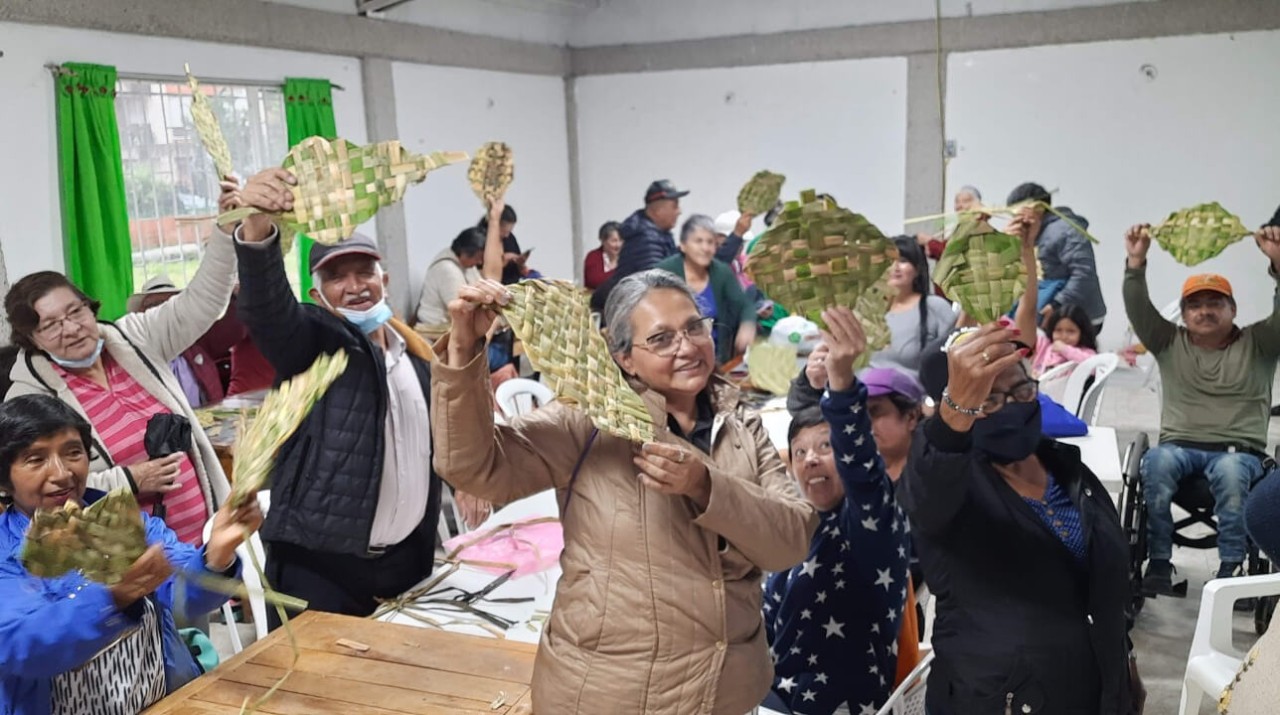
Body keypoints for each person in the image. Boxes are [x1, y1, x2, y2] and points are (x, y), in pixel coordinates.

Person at [433, 269, 817, 714]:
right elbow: (474, 467)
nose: (688, 347)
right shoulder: (587, 423)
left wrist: (704, 484)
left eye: (695, 327)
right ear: (624, 359)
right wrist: (463, 351)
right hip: (613, 694)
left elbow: (790, 541)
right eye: (661, 339)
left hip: (726, 692)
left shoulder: (739, 420)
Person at [230, 168, 447, 623]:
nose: (354, 286)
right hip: (322, 571)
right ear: (317, 293)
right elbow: (269, 312)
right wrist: (258, 231)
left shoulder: (417, 354)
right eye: (336, 277)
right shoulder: (316, 344)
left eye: (364, 271)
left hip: (405, 564)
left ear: (384, 279)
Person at [899, 324, 1142, 714]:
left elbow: (1106, 582)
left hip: (1089, 690)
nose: (1010, 406)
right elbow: (926, 489)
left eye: (1021, 391)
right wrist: (954, 415)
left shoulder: (1067, 469)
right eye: (988, 400)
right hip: (1000, 700)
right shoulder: (953, 486)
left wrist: (1122, 662)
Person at [4, 184, 244, 546]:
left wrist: (226, 232)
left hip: (207, 537)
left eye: (75, 311)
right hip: (128, 557)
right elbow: (35, 488)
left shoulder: (134, 338)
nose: (71, 329)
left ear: (90, 306)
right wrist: (130, 480)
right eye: (51, 325)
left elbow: (203, 302)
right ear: (31, 339)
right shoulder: (30, 396)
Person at [0, 393, 262, 715]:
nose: (61, 473)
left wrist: (216, 556)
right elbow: (23, 647)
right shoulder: (6, 555)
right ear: (5, 479)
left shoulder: (128, 522)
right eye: (35, 459)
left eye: (73, 453)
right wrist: (113, 598)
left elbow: (185, 598)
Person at [765, 307, 910, 715]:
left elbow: (860, 467)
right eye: (800, 453)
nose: (811, 459)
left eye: (826, 448)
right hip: (775, 697)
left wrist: (842, 382)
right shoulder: (798, 524)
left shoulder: (872, 522)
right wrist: (814, 384)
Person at [1123, 222, 1280, 595]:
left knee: (1229, 470)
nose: (1205, 311)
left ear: (1232, 309)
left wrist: (1277, 264)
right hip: (1178, 448)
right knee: (1156, 461)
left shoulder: (1260, 343)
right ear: (1184, 313)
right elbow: (1138, 307)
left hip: (1239, 455)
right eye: (1195, 305)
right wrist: (1135, 261)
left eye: (1215, 303)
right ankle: (1159, 563)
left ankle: (1230, 570)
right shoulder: (1167, 341)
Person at [590, 179, 750, 312]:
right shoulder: (646, 240)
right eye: (674, 206)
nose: (679, 211)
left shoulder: (657, 234)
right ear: (658, 210)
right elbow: (658, 285)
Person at [655, 215, 757, 365]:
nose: (705, 248)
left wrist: (747, 324)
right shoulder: (664, 272)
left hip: (714, 360)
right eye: (698, 241)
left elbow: (744, 305)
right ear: (683, 245)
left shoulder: (721, 272)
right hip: (674, 358)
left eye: (710, 242)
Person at [1006, 182, 1106, 331]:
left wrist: (1056, 305)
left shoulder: (1064, 231)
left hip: (1079, 318)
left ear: (1038, 208)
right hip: (1052, 314)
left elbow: (1084, 274)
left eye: (1017, 213)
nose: (1016, 219)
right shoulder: (1032, 232)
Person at [127, 275, 225, 408]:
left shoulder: (196, 346)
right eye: (155, 305)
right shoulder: (134, 358)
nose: (164, 312)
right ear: (142, 313)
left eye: (170, 304)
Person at [870, 235, 957, 380]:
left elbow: (954, 357)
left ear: (917, 270)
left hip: (916, 399)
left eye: (903, 261)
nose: (895, 267)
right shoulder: (869, 311)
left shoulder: (935, 306)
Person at [414, 226, 485, 340]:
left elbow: (480, 287)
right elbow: (460, 309)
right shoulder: (447, 269)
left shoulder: (467, 265)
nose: (480, 262)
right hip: (434, 331)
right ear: (465, 253)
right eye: (477, 258)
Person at [1031, 303, 1099, 378]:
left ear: (1082, 332)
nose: (1064, 336)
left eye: (1071, 331)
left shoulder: (1086, 352)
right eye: (1058, 330)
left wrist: (1065, 350)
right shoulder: (1045, 346)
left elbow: (1094, 368)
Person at [917, 185, 984, 260]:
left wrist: (929, 241)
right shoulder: (962, 227)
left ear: (977, 206)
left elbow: (951, 254)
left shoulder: (977, 228)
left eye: (965, 201)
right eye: (957, 202)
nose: (959, 206)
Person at [583, 220, 622, 291]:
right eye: (614, 241)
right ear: (603, 241)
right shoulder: (593, 256)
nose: (618, 245)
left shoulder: (629, 256)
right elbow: (595, 281)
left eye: (621, 240)